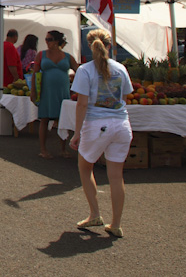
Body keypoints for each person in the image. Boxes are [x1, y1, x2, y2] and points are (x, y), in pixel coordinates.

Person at [70, 29, 133, 238]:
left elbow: (82, 103)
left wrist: (76, 132)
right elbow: (125, 96)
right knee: (116, 175)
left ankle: (95, 213)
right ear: (110, 45)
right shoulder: (121, 68)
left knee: (85, 167)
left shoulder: (85, 70)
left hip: (97, 124)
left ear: (90, 46)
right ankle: (116, 224)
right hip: (121, 124)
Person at [30, 30, 79, 159]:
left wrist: (76, 85)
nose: (47, 42)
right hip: (46, 91)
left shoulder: (67, 56)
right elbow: (35, 74)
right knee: (44, 119)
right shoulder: (41, 55)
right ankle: (43, 149)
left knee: (62, 120)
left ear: (57, 41)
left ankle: (63, 149)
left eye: (49, 39)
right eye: (46, 39)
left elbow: (79, 71)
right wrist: (33, 91)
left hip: (62, 91)